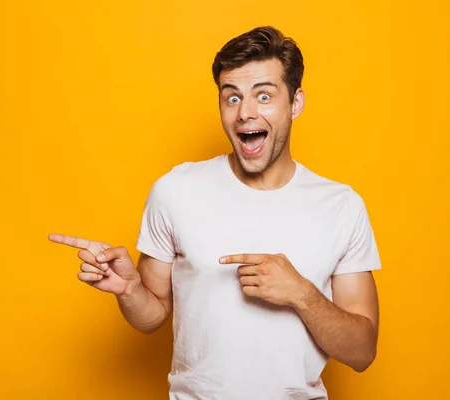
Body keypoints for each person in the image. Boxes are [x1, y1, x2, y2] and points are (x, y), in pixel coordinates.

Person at [49, 26, 381, 400]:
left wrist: (301, 294)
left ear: (296, 102)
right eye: (232, 97)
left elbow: (363, 351)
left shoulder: (341, 206)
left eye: (265, 96)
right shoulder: (176, 190)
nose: (246, 113)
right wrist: (129, 290)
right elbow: (152, 315)